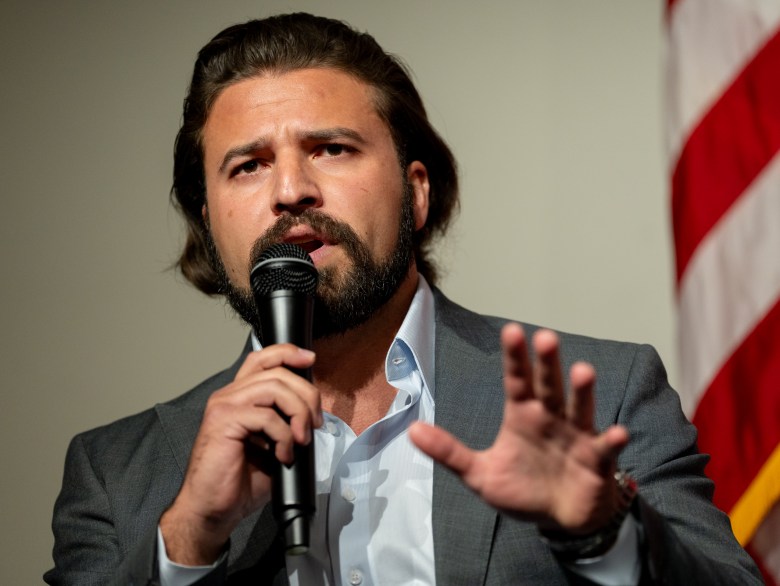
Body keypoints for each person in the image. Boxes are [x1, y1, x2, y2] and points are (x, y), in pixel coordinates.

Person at [46, 12, 761, 586]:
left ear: (416, 192)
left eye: (331, 148)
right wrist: (190, 539)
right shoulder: (118, 473)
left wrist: (603, 530)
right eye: (248, 165)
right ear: (210, 223)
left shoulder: (603, 396)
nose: (291, 189)